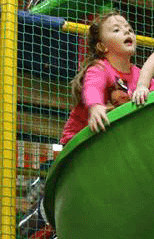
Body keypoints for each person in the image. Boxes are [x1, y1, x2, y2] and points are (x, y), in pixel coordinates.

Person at [60, 11, 141, 144]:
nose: (127, 32)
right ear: (102, 46)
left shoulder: (138, 74)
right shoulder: (100, 68)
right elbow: (93, 87)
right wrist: (95, 106)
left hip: (109, 138)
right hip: (77, 141)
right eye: (116, 30)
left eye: (130, 29)